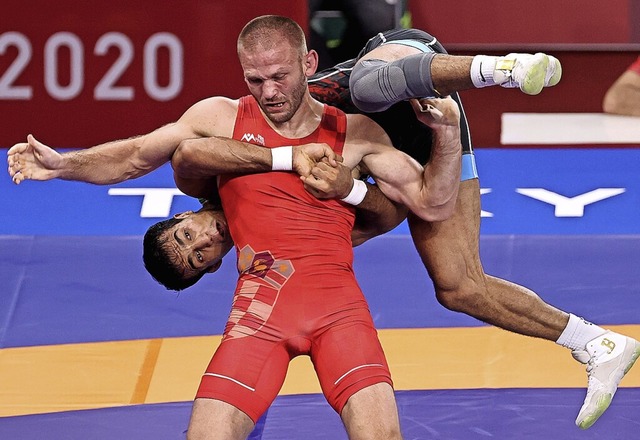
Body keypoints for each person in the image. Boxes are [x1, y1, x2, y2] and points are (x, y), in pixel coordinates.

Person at [7, 17, 635, 432]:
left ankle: (498, 69)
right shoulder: (247, 198)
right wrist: (359, 184)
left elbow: (155, 154)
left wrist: (64, 163)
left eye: (280, 75)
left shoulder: (253, 123)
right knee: (458, 285)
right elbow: (402, 211)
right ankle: (595, 343)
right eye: (257, 81)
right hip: (420, 148)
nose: (270, 90)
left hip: (396, 88)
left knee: (364, 80)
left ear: (305, 62)